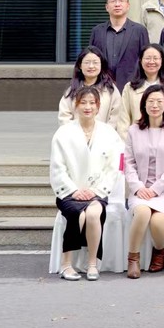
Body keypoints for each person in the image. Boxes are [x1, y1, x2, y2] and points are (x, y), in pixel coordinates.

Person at [50, 86, 124, 281]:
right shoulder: (63, 133)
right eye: (83, 103)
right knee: (78, 215)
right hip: (70, 193)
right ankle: (66, 264)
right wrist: (73, 190)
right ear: (76, 105)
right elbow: (57, 167)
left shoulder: (109, 133)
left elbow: (113, 168)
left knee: (93, 214)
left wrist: (96, 190)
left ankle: (92, 264)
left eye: (92, 103)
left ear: (98, 107)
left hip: (96, 192)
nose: (87, 107)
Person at [124, 85, 164, 279]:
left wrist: (156, 189)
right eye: (151, 101)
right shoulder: (134, 130)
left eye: (159, 101)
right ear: (144, 104)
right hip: (140, 189)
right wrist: (138, 187)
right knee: (142, 213)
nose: (155, 105)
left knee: (158, 223)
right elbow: (129, 163)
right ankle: (133, 258)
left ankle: (159, 251)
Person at [89, 0, 149, 86]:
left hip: (132, 86)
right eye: (113, 1)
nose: (117, 4)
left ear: (128, 6)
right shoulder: (97, 31)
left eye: (121, 1)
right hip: (102, 86)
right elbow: (90, 59)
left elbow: (145, 60)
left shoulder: (140, 31)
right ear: (107, 7)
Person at [118, 44, 164, 139]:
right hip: (136, 140)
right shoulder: (130, 87)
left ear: (162, 61)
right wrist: (128, 142)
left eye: (155, 58)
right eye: (147, 58)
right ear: (140, 60)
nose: (151, 62)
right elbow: (123, 119)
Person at [58, 46, 122, 128]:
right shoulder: (72, 90)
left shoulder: (110, 90)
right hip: (76, 135)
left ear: (101, 65)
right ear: (80, 65)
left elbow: (116, 116)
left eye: (95, 62)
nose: (91, 66)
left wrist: (105, 133)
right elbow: (64, 117)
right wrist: (76, 133)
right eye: (87, 62)